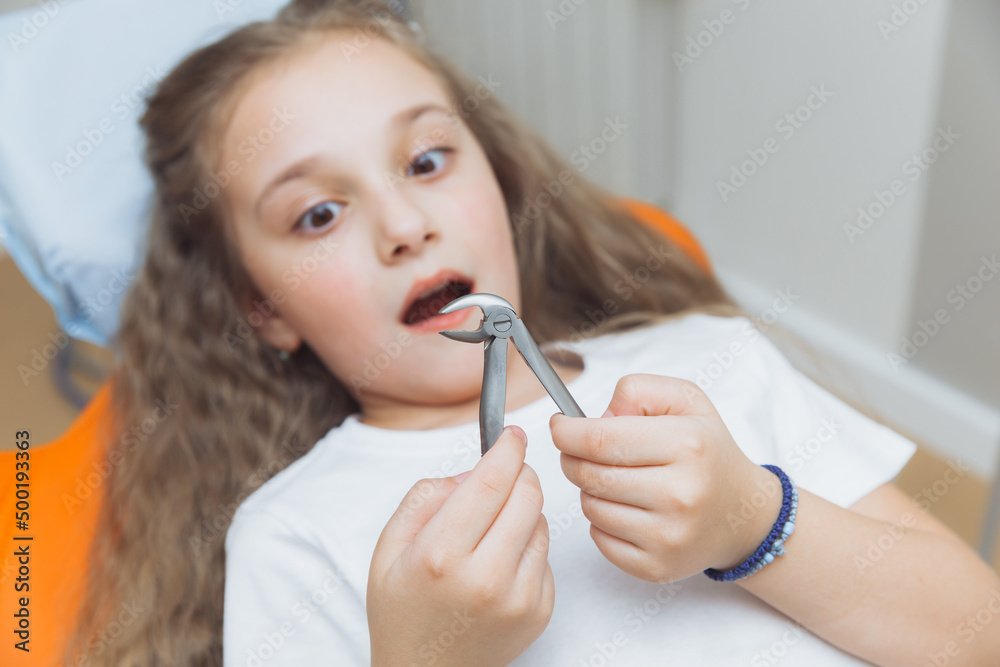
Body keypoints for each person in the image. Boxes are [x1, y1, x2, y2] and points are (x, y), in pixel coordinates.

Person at [63, 1, 1000, 665]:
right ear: (262, 309)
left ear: (501, 184)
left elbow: (978, 633)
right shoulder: (292, 538)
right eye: (317, 215)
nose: (403, 223)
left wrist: (752, 523)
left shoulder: (711, 360)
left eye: (427, 159)